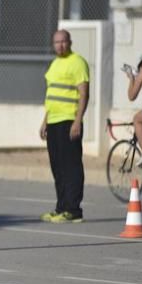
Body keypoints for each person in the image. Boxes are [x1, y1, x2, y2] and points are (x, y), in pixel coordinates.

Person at [39, 29, 88, 224]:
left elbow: (84, 93)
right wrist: (45, 121)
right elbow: (52, 95)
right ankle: (61, 207)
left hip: (69, 120)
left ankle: (73, 209)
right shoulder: (54, 64)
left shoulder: (78, 62)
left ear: (70, 42)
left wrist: (78, 121)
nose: (60, 45)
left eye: (64, 42)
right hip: (53, 121)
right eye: (57, 42)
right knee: (57, 166)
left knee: (71, 166)